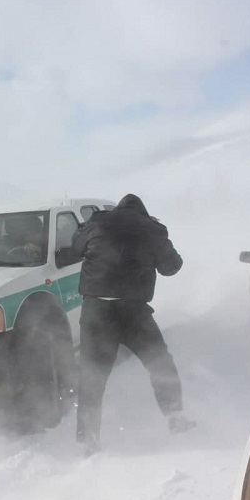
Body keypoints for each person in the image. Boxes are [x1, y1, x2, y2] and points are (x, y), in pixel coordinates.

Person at [72, 194, 194, 455]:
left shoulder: (96, 222)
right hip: (133, 312)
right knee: (160, 362)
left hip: (97, 310)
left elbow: (75, 249)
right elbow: (172, 267)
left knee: (92, 375)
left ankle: (88, 439)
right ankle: (175, 418)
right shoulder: (151, 228)